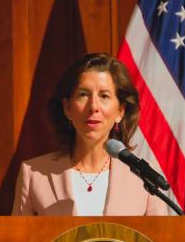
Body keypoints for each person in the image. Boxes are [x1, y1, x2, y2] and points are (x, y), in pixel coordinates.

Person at [12, 53, 169, 216]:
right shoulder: (34, 174)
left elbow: (159, 241)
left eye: (104, 96)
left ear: (120, 111)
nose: (93, 106)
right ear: (67, 108)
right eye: (83, 94)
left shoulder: (144, 176)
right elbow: (18, 240)